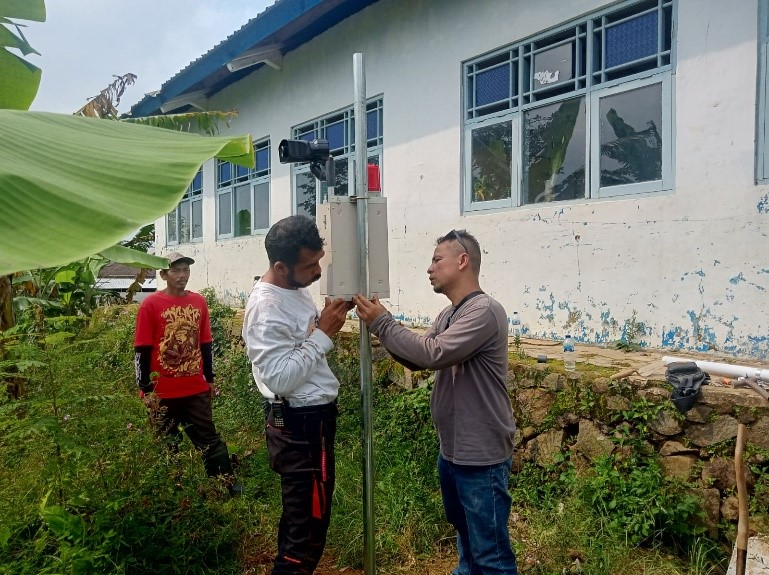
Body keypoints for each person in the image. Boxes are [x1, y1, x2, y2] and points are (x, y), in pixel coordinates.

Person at [353, 230, 519, 575]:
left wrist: (383, 323)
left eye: (436, 259)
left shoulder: (485, 311)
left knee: (491, 557)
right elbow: (418, 359)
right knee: (468, 547)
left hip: (481, 456)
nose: (429, 268)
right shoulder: (448, 315)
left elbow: (433, 353)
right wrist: (378, 327)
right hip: (453, 452)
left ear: (462, 261)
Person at [242, 215, 352, 575]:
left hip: (312, 421)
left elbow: (300, 344)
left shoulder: (294, 288)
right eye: (310, 265)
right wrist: (323, 333)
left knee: (306, 519)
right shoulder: (266, 308)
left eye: (318, 260)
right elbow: (280, 379)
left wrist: (326, 321)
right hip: (298, 424)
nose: (318, 271)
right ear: (280, 266)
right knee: (306, 525)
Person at [134, 251, 240, 494]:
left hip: (195, 388)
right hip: (162, 392)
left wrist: (210, 379)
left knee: (209, 438)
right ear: (163, 274)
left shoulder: (198, 302)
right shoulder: (151, 305)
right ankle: (173, 491)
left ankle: (226, 484)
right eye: (176, 270)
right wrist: (145, 389)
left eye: (186, 270)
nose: (182, 276)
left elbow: (205, 344)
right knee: (166, 443)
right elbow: (141, 349)